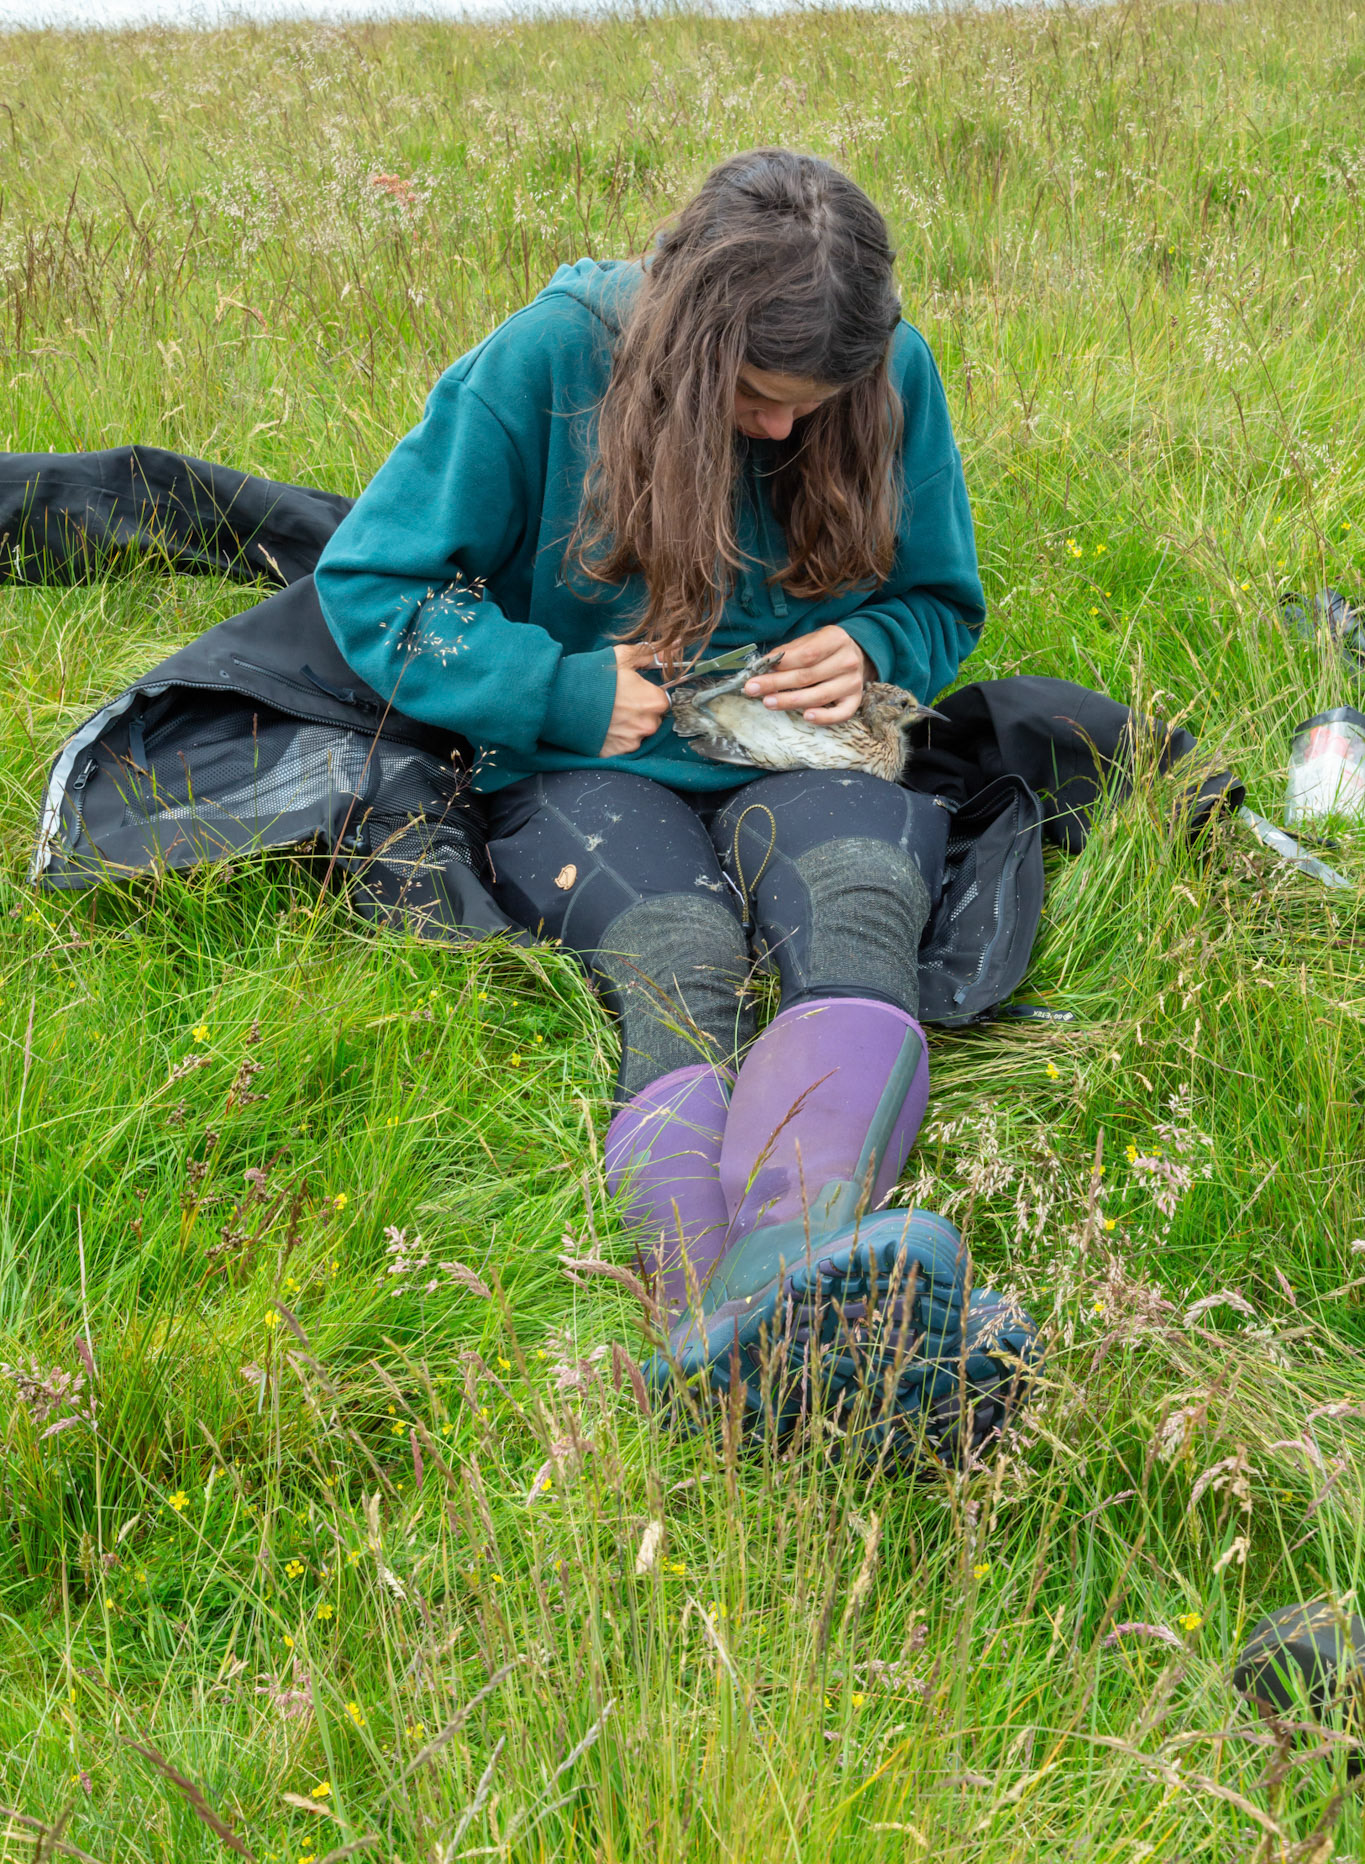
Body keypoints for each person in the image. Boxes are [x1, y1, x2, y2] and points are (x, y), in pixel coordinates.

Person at [314, 148, 1039, 1468]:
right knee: (676, 955)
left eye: (808, 411)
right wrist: (550, 687)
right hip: (588, 759)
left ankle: (788, 1282)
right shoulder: (547, 360)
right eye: (756, 401)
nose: (777, 432)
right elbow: (373, 584)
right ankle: (745, 1333)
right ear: (687, 342)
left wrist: (875, 648)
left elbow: (939, 599)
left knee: (861, 919)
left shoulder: (892, 374)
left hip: (807, 749)